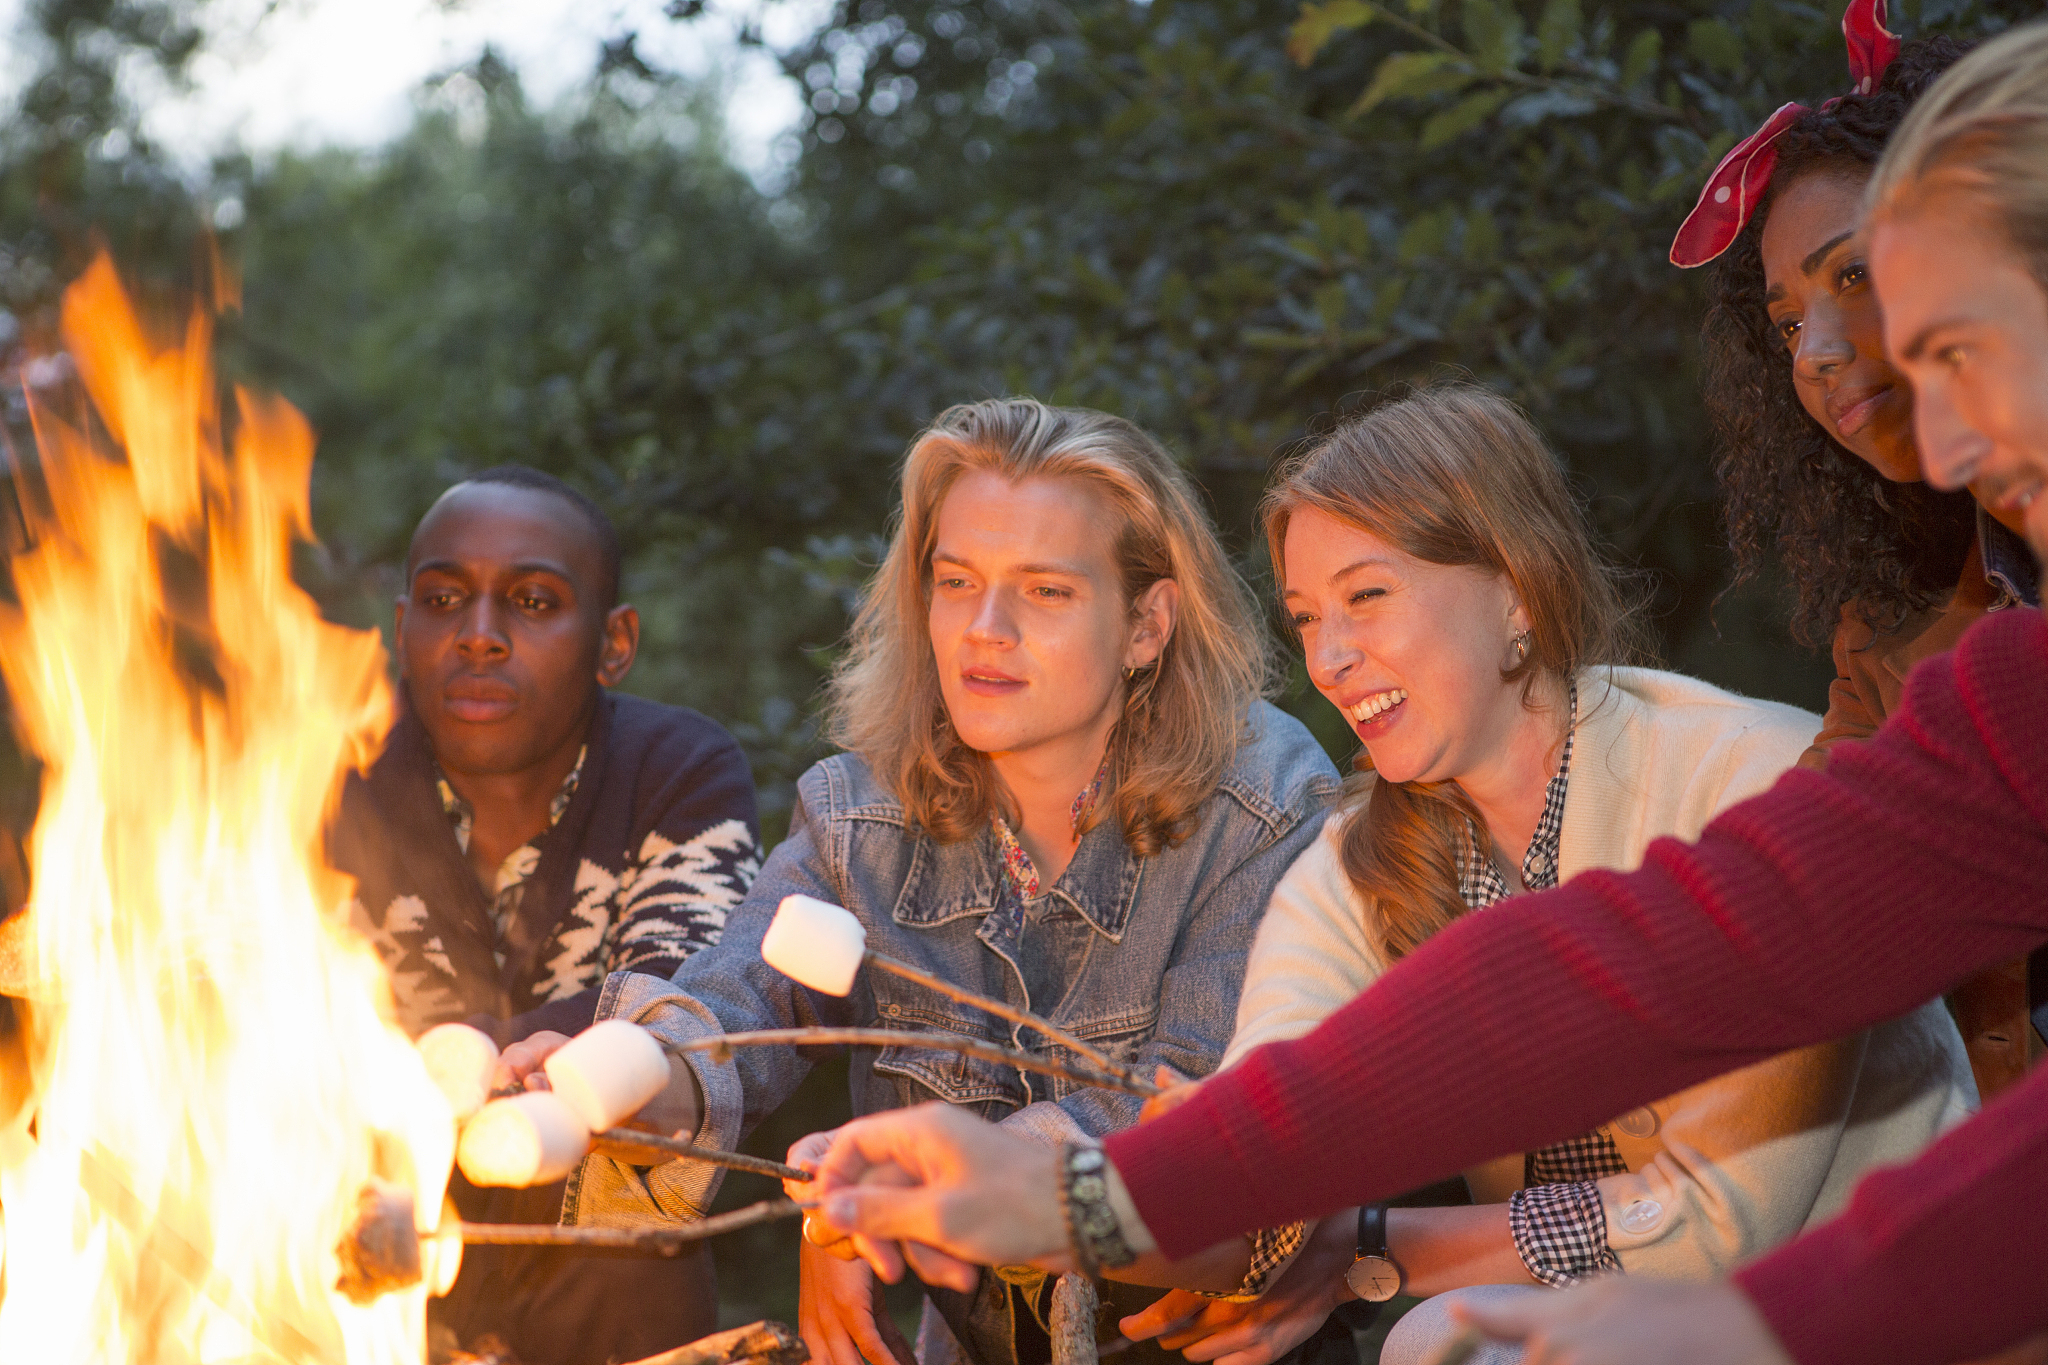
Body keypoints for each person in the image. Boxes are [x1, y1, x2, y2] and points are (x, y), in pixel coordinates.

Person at [789, 26, 2048, 1365]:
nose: (1939, 442)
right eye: (1307, 619)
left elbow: (1702, 1119)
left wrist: (1332, 1234)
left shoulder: (1741, 759)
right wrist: (1092, 1194)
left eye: (1955, 349)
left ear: (1514, 590)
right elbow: (1596, 986)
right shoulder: (2009, 693)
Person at [1112, 386, 1971, 1365]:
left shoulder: (1758, 779)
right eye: (1305, 618)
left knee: (1444, 1336)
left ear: (1516, 590)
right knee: (1447, 1340)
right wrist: (1214, 1161)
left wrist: (1368, 1246)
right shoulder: (1355, 862)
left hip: (1878, 1314)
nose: (1329, 658)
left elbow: (1720, 1220)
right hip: (1620, 1330)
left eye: (1366, 596)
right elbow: (1275, 1088)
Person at [508, 399, 1341, 1365]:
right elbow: (733, 1007)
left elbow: (1186, 1109)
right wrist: (638, 1084)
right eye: (956, 581)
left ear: (1146, 625)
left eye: (1045, 591)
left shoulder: (1265, 803)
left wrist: (891, 1184)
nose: (985, 629)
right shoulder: (861, 814)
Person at [1681, 0, 2038, 1095]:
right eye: (1787, 323)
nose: (1815, 355)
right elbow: (1793, 876)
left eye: (1853, 274)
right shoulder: (1889, 624)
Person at [328, 465, 761, 1365]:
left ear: (614, 642)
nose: (479, 635)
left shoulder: (675, 768)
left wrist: (465, 1057)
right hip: (360, 1249)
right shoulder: (323, 774)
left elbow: (682, 1001)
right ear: (402, 628)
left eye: (532, 601)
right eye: (444, 599)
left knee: (628, 1193)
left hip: (605, 1268)